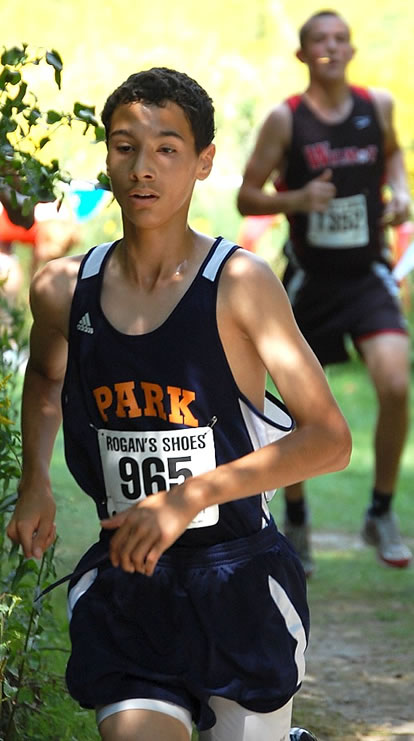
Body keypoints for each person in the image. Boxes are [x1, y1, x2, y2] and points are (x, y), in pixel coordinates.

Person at [7, 67, 350, 741]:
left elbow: (329, 440)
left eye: (167, 148)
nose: (143, 167)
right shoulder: (62, 289)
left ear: (203, 161)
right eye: (125, 146)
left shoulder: (240, 283)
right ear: (107, 158)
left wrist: (189, 496)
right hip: (132, 584)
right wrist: (35, 480)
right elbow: (46, 376)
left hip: (239, 581)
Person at [237, 10, 412, 576]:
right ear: (303, 54)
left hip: (367, 274)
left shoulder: (376, 106)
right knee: (296, 404)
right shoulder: (286, 120)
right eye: (319, 40)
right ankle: (297, 518)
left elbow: (393, 154)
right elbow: (246, 196)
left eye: (340, 39)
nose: (331, 48)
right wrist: (297, 200)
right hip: (310, 278)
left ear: (352, 50)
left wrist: (400, 192)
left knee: (396, 382)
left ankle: (379, 511)